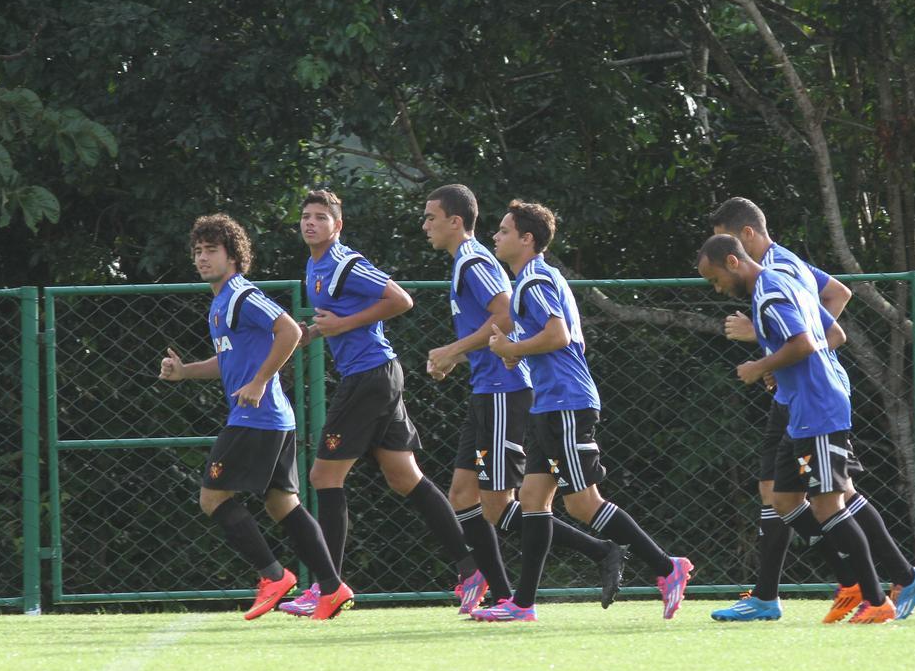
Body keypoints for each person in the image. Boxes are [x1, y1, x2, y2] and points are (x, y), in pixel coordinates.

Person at [707, 198, 915, 623]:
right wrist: (780, 354)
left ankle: (866, 590)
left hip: (813, 401)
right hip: (799, 395)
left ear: (743, 240)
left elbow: (815, 336)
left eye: (717, 275)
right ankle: (880, 578)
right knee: (792, 496)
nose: (717, 288)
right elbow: (833, 310)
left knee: (826, 500)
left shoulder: (776, 276)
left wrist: (767, 356)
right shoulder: (780, 268)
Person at [471, 200, 693, 622]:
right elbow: (569, 340)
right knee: (534, 499)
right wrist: (517, 353)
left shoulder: (534, 280)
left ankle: (668, 568)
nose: (495, 237)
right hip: (550, 403)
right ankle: (522, 605)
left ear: (526, 238)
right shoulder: (538, 279)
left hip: (566, 404)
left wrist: (514, 349)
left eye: (502, 230)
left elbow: (557, 335)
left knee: (583, 504)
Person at [421, 184, 626, 613]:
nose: (425, 226)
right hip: (488, 387)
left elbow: (505, 316)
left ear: (455, 222)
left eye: (430, 218)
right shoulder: (469, 262)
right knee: (464, 495)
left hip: (505, 390)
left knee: (505, 504)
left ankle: (587, 560)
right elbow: (501, 325)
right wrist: (459, 355)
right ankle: (499, 591)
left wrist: (460, 351)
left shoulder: (475, 261)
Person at [279, 189, 482, 616]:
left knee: (323, 477)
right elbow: (335, 322)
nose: (310, 222)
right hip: (374, 377)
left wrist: (342, 324)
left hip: (369, 378)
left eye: (320, 217)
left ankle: (327, 586)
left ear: (338, 226)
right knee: (404, 477)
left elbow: (400, 300)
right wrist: (312, 332)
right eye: (306, 216)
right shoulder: (314, 266)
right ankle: (472, 571)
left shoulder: (344, 263)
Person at [159, 213, 352, 621]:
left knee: (212, 497)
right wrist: (186, 371)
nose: (202, 258)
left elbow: (290, 331)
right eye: (198, 251)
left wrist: (262, 380)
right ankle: (333, 589)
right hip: (269, 420)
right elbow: (229, 360)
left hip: (256, 417)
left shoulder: (242, 294)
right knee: (283, 504)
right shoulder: (221, 302)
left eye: (212, 250)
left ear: (233, 256)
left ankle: (273, 576)